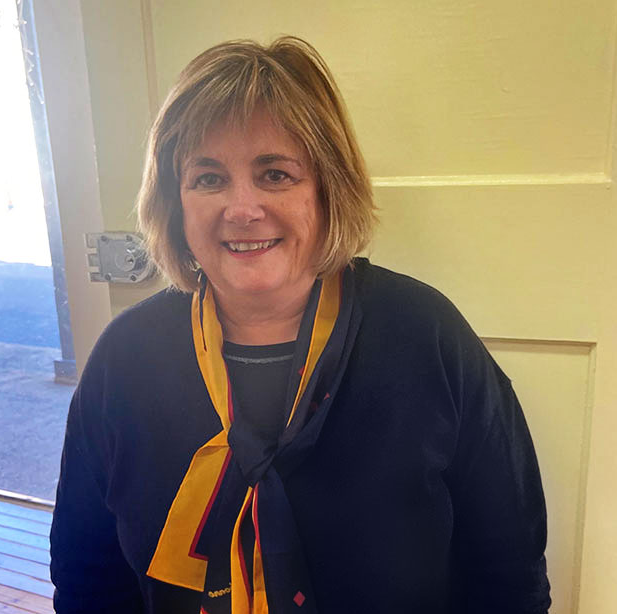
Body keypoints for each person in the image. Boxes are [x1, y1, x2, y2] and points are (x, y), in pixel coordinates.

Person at [50, 36, 551, 614]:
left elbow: (509, 577)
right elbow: (88, 579)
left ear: (327, 189)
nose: (242, 209)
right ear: (174, 201)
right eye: (208, 178)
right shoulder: (125, 359)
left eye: (275, 174)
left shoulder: (428, 338)